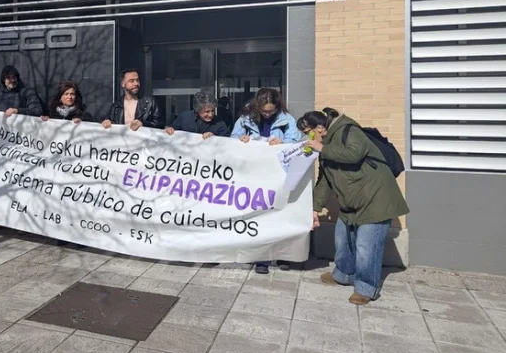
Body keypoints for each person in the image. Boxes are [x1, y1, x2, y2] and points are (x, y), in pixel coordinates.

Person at [299, 107, 409, 305]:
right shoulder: (326, 146)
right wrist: (315, 208)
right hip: (351, 202)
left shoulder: (349, 131)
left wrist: (321, 148)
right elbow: (325, 181)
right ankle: (343, 274)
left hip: (376, 199)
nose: (307, 137)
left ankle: (367, 288)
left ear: (320, 128)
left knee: (367, 246)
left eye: (308, 132)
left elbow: (354, 154)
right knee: (343, 239)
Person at [232, 87, 303, 274]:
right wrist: (242, 139)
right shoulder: (246, 118)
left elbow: (295, 143)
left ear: (277, 107)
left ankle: (282, 255)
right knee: (259, 216)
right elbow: (232, 139)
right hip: (255, 174)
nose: (267, 113)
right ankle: (261, 258)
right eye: (264, 110)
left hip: (279, 175)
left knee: (279, 215)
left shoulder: (287, 120)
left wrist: (283, 144)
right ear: (258, 106)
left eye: (270, 111)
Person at [165, 91, 229, 139]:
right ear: (197, 110)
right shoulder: (185, 117)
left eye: (212, 111)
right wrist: (169, 129)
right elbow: (172, 128)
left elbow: (227, 141)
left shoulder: (219, 123)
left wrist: (214, 138)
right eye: (207, 111)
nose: (210, 114)